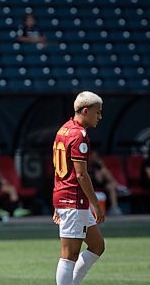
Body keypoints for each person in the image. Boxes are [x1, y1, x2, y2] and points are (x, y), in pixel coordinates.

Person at [52, 91, 105, 285]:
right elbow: (81, 175)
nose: (100, 117)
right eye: (97, 112)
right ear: (85, 110)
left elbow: (58, 171)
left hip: (67, 198)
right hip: (73, 199)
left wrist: (56, 203)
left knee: (97, 245)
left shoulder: (63, 129)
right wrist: (96, 205)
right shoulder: (79, 135)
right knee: (69, 255)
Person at [88, 151, 130, 216]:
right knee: (104, 171)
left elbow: (100, 179)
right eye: (94, 156)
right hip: (90, 184)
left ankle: (114, 208)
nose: (95, 157)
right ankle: (118, 186)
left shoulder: (97, 165)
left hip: (99, 183)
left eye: (96, 156)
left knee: (111, 186)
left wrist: (101, 164)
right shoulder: (86, 164)